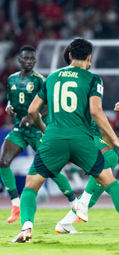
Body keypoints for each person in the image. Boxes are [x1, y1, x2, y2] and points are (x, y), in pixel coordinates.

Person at [11, 38, 119, 242]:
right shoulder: (92, 79)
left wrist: (44, 129)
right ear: (89, 57)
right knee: (111, 183)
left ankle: (26, 228)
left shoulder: (51, 78)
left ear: (69, 56)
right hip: (81, 139)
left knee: (30, 187)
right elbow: (95, 110)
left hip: (54, 138)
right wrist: (116, 139)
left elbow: (32, 110)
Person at [55, 45, 119, 233]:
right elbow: (94, 109)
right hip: (80, 132)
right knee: (110, 160)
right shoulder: (89, 79)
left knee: (107, 167)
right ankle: (84, 203)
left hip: (90, 130)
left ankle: (68, 220)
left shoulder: (59, 79)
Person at [0, 45, 76, 224]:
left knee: (52, 167)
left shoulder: (41, 80)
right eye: (25, 58)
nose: (28, 62)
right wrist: (9, 107)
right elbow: (11, 99)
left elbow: (50, 106)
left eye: (32, 59)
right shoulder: (11, 79)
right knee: (3, 161)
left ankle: (74, 203)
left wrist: (35, 118)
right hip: (19, 130)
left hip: (37, 130)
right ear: (20, 60)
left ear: (35, 61)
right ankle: (15, 204)